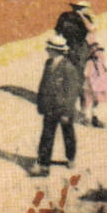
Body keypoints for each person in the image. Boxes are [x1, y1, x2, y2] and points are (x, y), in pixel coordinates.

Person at [30, 35, 80, 176]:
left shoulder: (68, 68)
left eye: (49, 49)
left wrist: (67, 113)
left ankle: (70, 157)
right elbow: (43, 84)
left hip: (63, 108)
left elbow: (72, 92)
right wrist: (41, 103)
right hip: (50, 107)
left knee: (68, 134)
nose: (47, 50)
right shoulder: (48, 63)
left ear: (56, 51)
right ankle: (44, 165)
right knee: (47, 135)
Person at [55, 1, 95, 122]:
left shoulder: (67, 16)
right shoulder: (68, 17)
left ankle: (79, 113)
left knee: (76, 81)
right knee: (76, 81)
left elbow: (58, 32)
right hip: (75, 50)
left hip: (73, 50)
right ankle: (80, 113)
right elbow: (91, 29)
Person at [81, 38, 107, 128]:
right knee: (87, 100)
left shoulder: (100, 61)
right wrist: (91, 84)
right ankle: (85, 117)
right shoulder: (89, 63)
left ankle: (94, 117)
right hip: (90, 84)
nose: (99, 53)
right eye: (96, 51)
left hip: (98, 84)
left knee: (96, 101)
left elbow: (103, 71)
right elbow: (87, 74)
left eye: (99, 51)